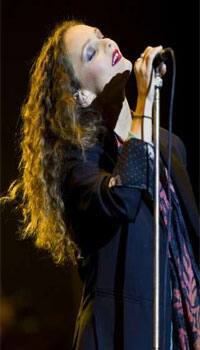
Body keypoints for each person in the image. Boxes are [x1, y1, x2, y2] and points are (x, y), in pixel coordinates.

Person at [1, 19, 199, 349]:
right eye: (90, 52)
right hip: (124, 336)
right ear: (78, 94)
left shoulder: (170, 147)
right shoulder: (77, 163)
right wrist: (144, 105)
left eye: (101, 36)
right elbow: (121, 197)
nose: (107, 43)